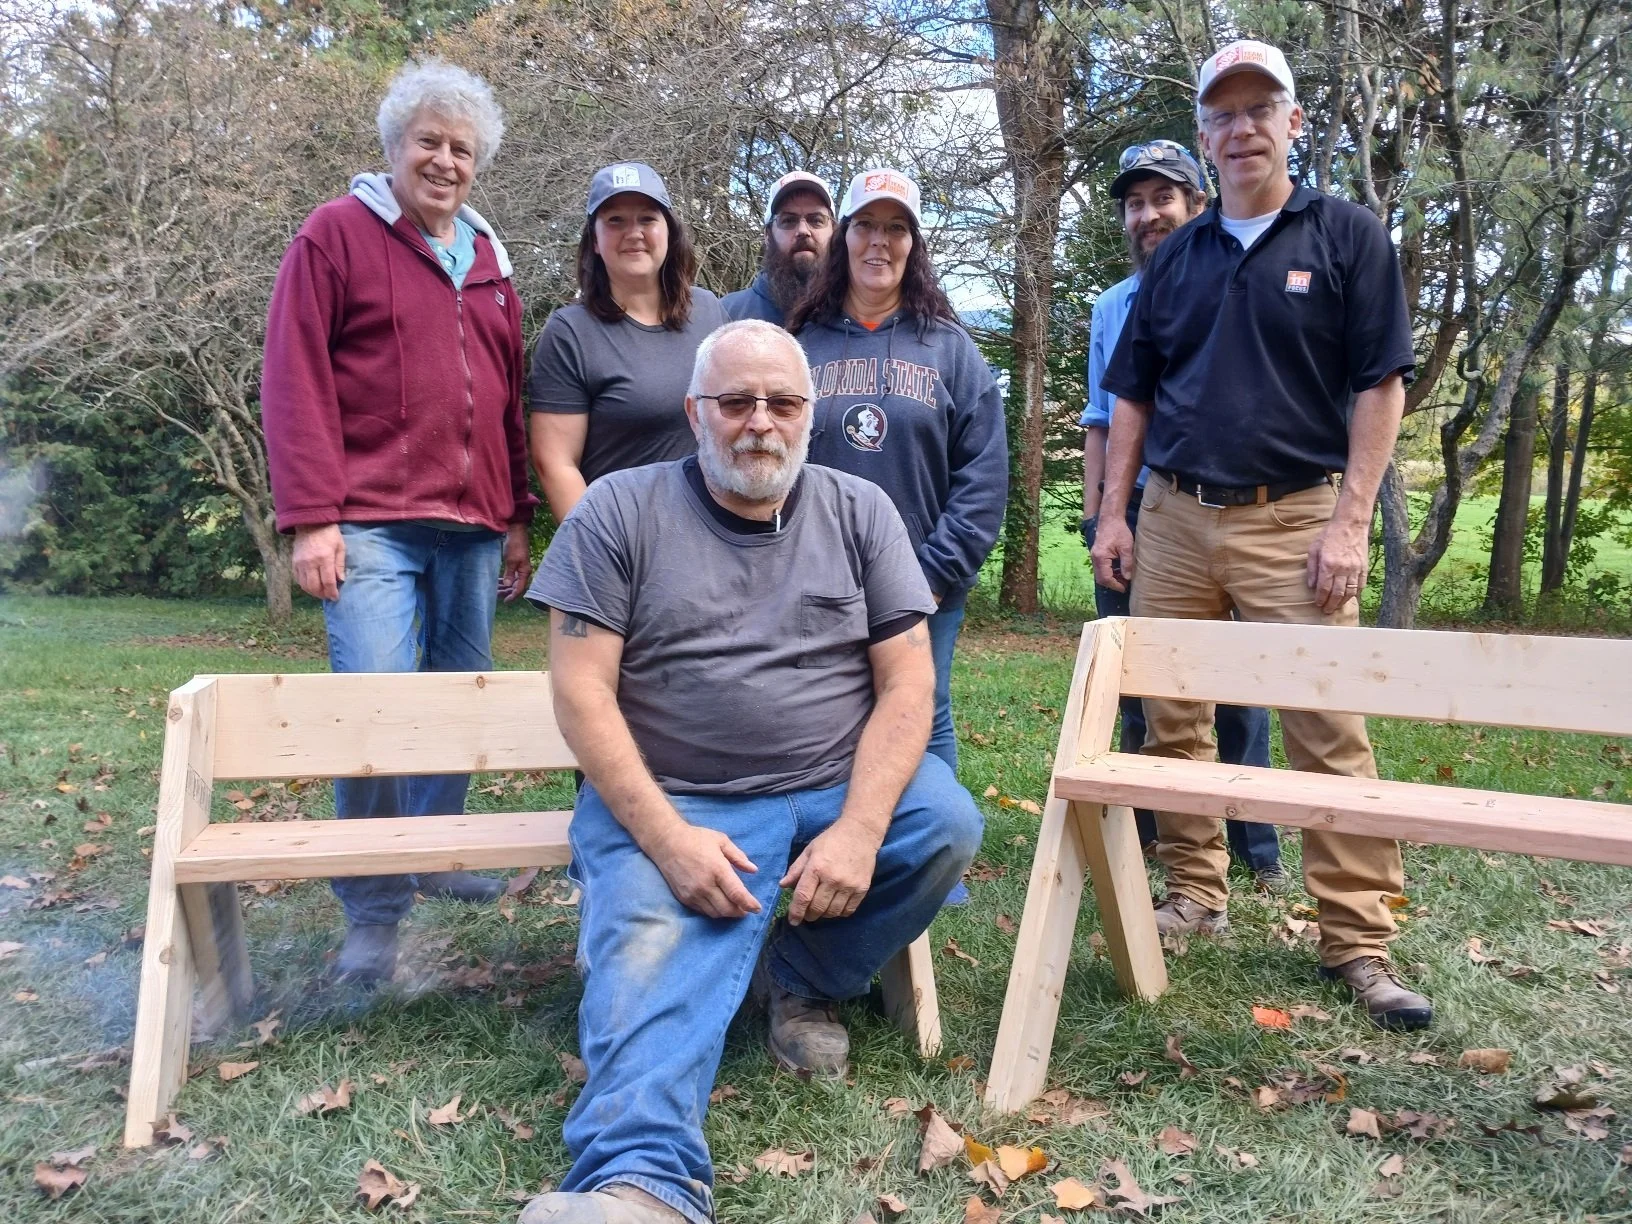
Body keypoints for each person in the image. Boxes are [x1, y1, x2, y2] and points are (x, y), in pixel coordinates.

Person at [520, 320, 983, 1224]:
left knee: (944, 826)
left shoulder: (860, 511)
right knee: (652, 952)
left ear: (811, 416)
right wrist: (665, 839)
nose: (759, 423)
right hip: (674, 795)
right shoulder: (619, 509)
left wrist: (856, 829)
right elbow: (581, 697)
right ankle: (641, 1186)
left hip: (827, 785)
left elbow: (909, 683)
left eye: (781, 403)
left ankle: (798, 972)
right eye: (735, 402)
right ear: (696, 412)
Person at [1093, 40, 1430, 1029]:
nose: (1242, 129)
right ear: (1206, 136)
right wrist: (1115, 513)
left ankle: (1358, 942)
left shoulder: (1345, 237)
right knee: (1173, 720)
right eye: (1224, 114)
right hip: (1175, 519)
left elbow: (1381, 385)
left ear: (1293, 123)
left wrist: (1349, 524)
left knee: (1326, 726)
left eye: (1260, 110)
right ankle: (1195, 892)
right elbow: (1132, 397)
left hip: (1297, 519)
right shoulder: (1179, 259)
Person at [261, 59, 534, 984]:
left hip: (474, 524)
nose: (445, 161)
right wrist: (311, 519)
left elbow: (505, 400)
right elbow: (293, 378)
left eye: (461, 148)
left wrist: (519, 516)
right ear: (392, 148)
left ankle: (432, 849)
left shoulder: (491, 261)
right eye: (429, 142)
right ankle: (373, 911)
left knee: (460, 701)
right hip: (369, 519)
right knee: (373, 708)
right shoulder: (335, 235)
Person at [1081, 139, 1287, 894]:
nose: (1148, 214)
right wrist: (1104, 515)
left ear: (1196, 204)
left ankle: (1256, 849)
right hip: (1135, 510)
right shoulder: (1111, 307)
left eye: (1163, 197)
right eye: (1135, 203)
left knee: (1238, 690)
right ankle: (1155, 840)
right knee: (1148, 691)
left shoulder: (1237, 280)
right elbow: (1101, 416)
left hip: (1230, 504)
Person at [788, 169, 1008, 786]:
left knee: (922, 710)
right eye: (865, 226)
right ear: (844, 239)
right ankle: (831, 840)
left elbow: (983, 477)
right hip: (816, 576)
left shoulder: (950, 349)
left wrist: (934, 575)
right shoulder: (800, 344)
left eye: (896, 228)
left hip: (923, 576)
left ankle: (932, 857)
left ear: (914, 245)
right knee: (822, 714)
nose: (879, 242)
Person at [528, 162, 729, 521]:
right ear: (594, 239)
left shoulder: (711, 312)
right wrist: (600, 549)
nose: (633, 232)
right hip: (625, 537)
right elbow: (555, 463)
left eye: (647, 219)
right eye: (615, 220)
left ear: (669, 230)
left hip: (716, 536)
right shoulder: (569, 333)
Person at [721, 171, 836, 326]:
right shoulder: (727, 313)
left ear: (834, 231)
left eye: (816, 220)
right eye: (788, 221)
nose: (803, 231)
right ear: (768, 235)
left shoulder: (857, 313)